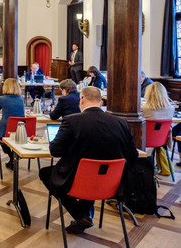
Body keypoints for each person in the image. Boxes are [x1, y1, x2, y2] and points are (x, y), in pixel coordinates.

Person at [39, 87, 138, 235]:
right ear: (101, 102)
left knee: (46, 173)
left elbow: (55, 151)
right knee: (92, 172)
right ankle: (85, 215)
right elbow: (133, 155)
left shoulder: (72, 121)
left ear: (82, 99)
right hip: (111, 184)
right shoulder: (121, 122)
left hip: (77, 181)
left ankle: (81, 214)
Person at [0, 78, 25, 169]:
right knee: (10, 137)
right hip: (20, 130)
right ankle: (14, 156)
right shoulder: (21, 99)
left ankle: (11, 156)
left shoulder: (2, 99)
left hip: (6, 130)